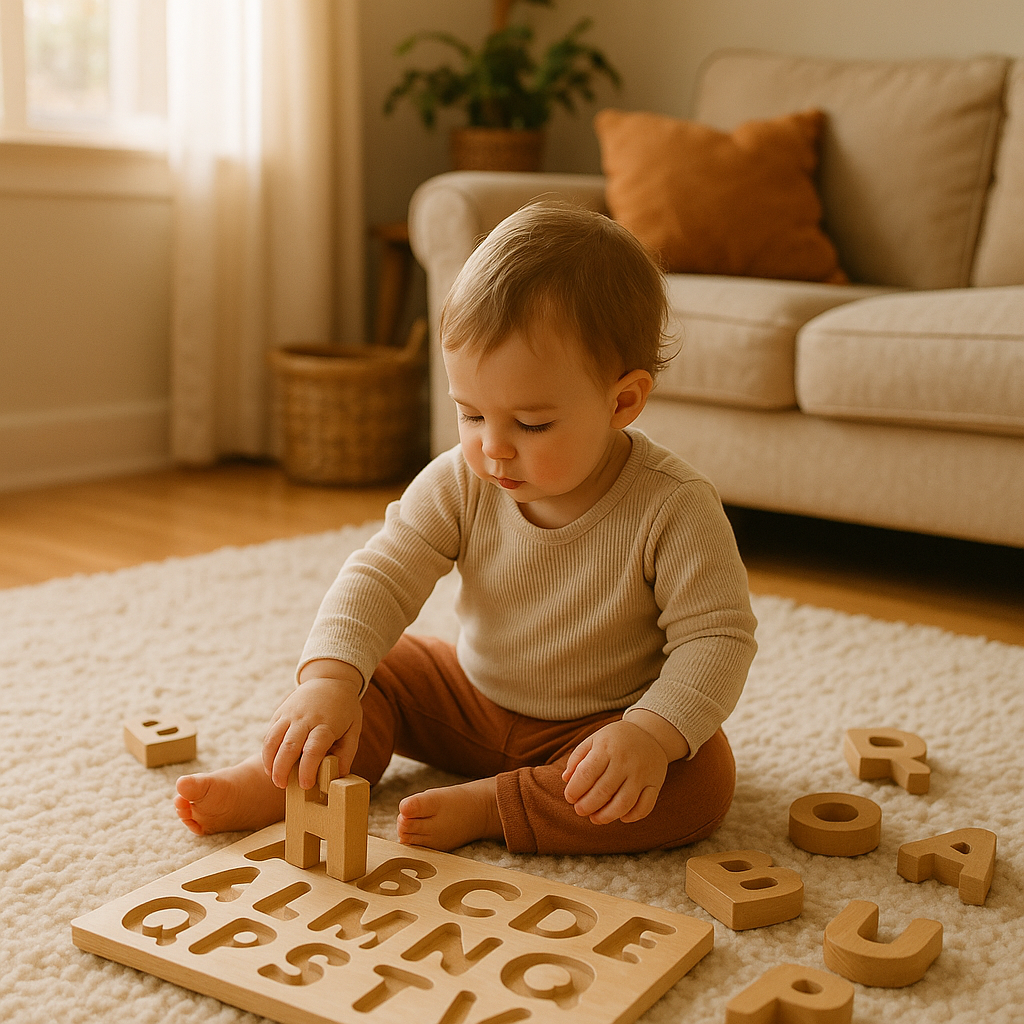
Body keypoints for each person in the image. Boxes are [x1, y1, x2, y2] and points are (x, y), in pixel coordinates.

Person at [175, 202, 757, 855]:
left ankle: (496, 807)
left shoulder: (674, 507)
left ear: (622, 401)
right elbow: (383, 572)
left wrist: (650, 733)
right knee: (376, 668)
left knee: (700, 778)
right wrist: (329, 680)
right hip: (469, 702)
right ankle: (277, 782)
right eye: (471, 414)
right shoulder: (460, 479)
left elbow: (718, 638)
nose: (492, 447)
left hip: (596, 732)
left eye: (531, 424)